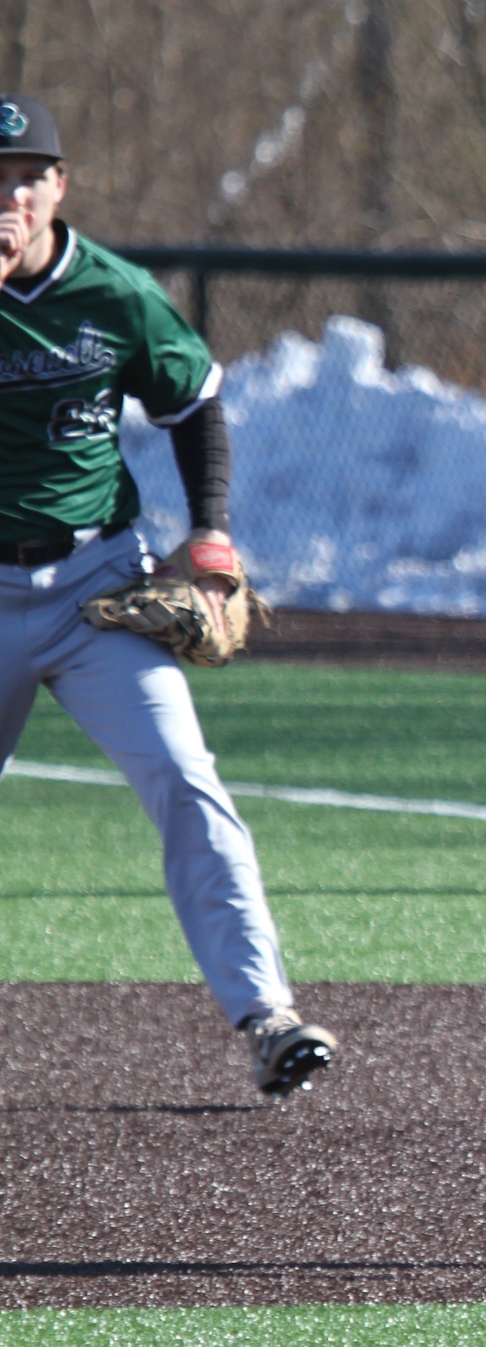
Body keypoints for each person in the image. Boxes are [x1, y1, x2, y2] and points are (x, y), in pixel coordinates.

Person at [0, 95, 336, 1096]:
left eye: (26, 176)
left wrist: (213, 530)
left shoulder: (114, 293)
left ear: (59, 187)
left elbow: (192, 404)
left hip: (96, 591)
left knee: (188, 782)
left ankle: (266, 1014)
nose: (8, 197)